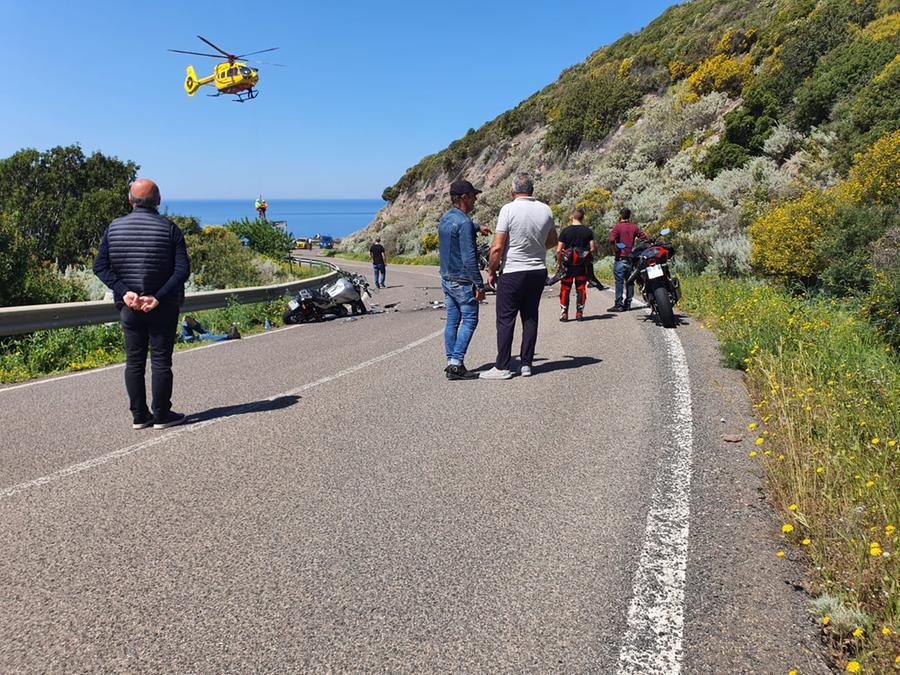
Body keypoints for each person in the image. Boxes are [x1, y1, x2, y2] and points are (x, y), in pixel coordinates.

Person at [93, 178, 190, 430]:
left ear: (130, 200)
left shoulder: (114, 228)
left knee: (134, 362)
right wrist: (157, 296)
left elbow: (99, 267)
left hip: (130, 308)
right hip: (163, 306)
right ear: (158, 201)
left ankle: (139, 416)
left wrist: (125, 292)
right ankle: (162, 415)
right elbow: (182, 270)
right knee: (160, 361)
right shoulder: (170, 228)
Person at [481, 173, 557, 380]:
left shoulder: (508, 209)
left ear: (512, 190)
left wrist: (491, 271)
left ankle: (502, 366)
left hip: (514, 270)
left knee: (505, 319)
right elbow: (552, 241)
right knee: (530, 317)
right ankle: (526, 364)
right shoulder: (545, 209)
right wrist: (535, 248)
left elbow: (497, 247)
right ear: (532, 190)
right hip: (537, 270)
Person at [437, 179, 487, 380]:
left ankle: (452, 361)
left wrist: (476, 227)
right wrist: (479, 284)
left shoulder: (446, 218)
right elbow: (468, 258)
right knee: (470, 319)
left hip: (446, 278)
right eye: (474, 196)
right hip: (462, 281)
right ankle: (457, 364)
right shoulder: (464, 222)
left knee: (452, 320)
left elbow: (460, 228)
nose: (476, 199)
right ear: (465, 197)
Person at [553, 208, 598, 322]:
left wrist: (559, 263)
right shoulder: (588, 231)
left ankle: (564, 314)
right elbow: (592, 248)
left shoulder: (565, 231)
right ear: (582, 217)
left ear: (572, 216)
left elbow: (559, 250)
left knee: (565, 288)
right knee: (581, 288)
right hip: (581, 266)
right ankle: (579, 313)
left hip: (568, 266)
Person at [608, 207, 647, 312]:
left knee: (619, 282)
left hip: (620, 257)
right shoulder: (634, 227)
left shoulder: (617, 227)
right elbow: (644, 238)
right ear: (629, 216)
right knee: (629, 281)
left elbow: (611, 240)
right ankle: (628, 303)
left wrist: (615, 249)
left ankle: (618, 304)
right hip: (630, 258)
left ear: (620, 215)